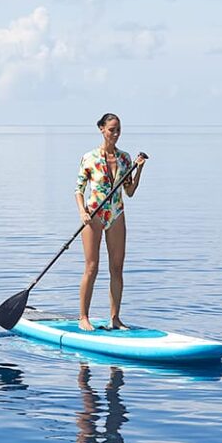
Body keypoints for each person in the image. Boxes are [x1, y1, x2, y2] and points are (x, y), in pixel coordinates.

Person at [74, 113, 146, 332]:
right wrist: (82, 212)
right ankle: (83, 317)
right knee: (92, 267)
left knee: (117, 268)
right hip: (94, 214)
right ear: (102, 129)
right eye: (111, 129)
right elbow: (78, 189)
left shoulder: (125, 159)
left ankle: (115, 318)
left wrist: (139, 167)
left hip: (116, 214)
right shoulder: (89, 158)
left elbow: (130, 191)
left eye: (118, 130)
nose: (115, 134)